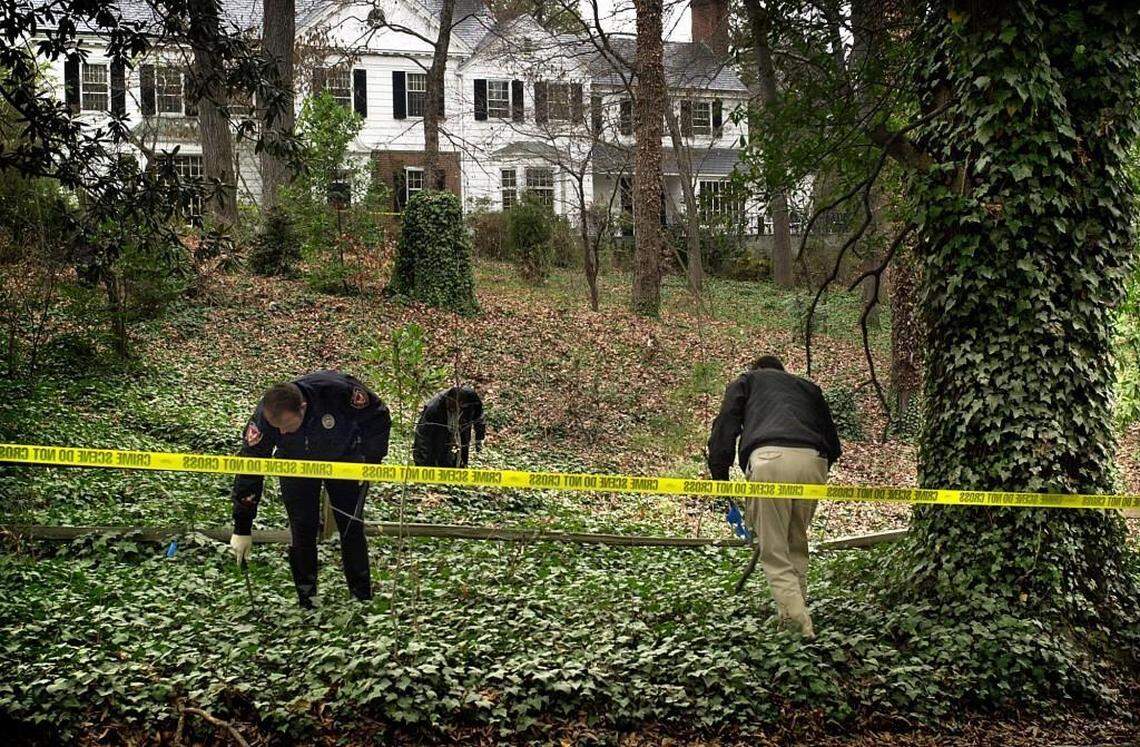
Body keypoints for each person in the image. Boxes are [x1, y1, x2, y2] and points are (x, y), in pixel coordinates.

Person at [229, 371, 391, 607]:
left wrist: (369, 461)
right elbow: (250, 466)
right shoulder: (266, 415)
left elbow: (378, 416)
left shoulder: (337, 391)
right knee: (302, 528)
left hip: (345, 460)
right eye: (277, 428)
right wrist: (242, 526)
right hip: (295, 464)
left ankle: (361, 596)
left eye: (286, 426)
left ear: (302, 408)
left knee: (351, 525)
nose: (281, 432)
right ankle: (307, 598)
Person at [707, 355, 841, 637]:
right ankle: (792, 612)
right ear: (783, 371)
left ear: (757, 369)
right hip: (814, 461)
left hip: (769, 458)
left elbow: (726, 424)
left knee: (774, 549)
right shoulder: (807, 387)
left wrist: (720, 476)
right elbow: (833, 439)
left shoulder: (748, 381)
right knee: (796, 540)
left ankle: (798, 625)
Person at [412, 385, 486, 468]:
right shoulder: (434, 408)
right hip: (439, 435)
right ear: (447, 399)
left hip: (462, 434)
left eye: (456, 406)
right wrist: (423, 466)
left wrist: (479, 437)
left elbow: (479, 416)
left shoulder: (471, 398)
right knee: (440, 458)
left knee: (461, 459)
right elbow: (422, 438)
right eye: (450, 404)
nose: (452, 407)